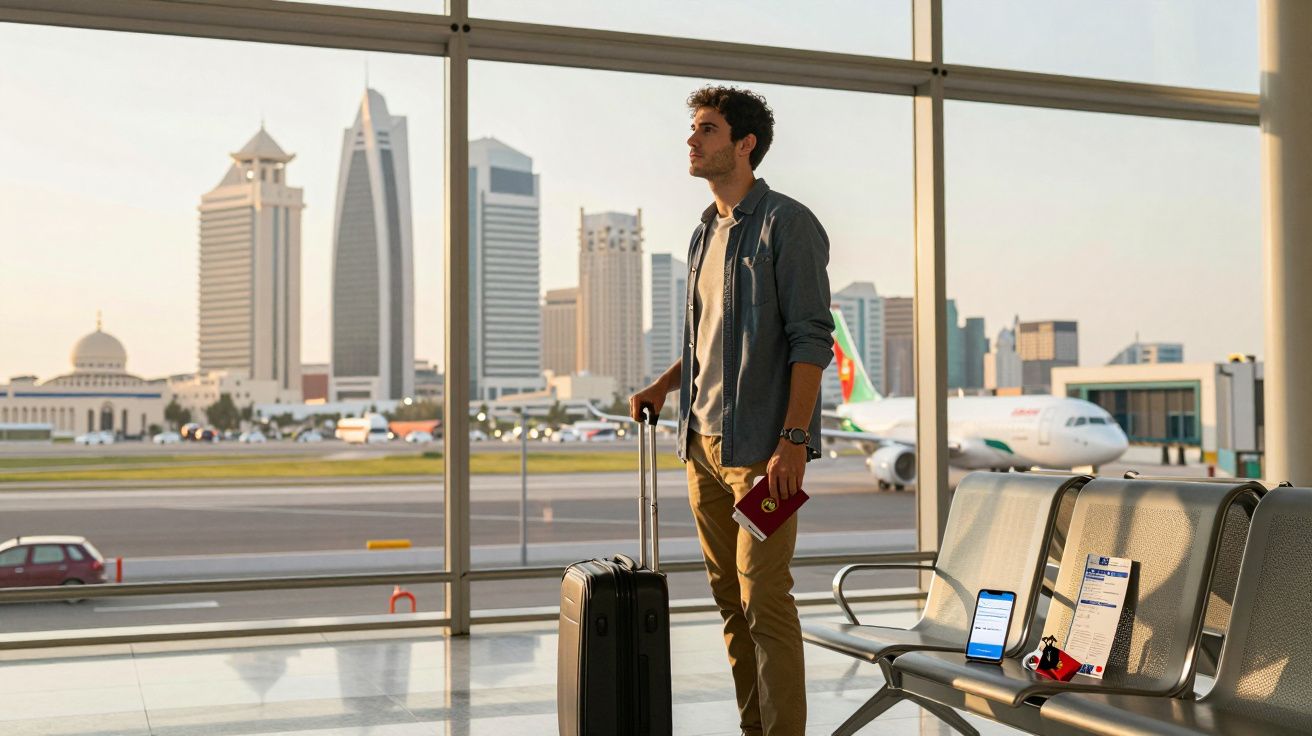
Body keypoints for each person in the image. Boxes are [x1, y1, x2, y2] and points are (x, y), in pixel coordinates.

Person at [629, 85, 834, 736]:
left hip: (762, 455)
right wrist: (664, 387)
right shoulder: (702, 233)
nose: (692, 140)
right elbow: (705, 340)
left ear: (744, 145)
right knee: (728, 602)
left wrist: (793, 439)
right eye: (693, 129)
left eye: (707, 130)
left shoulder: (786, 223)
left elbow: (811, 339)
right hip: (702, 448)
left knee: (764, 598)